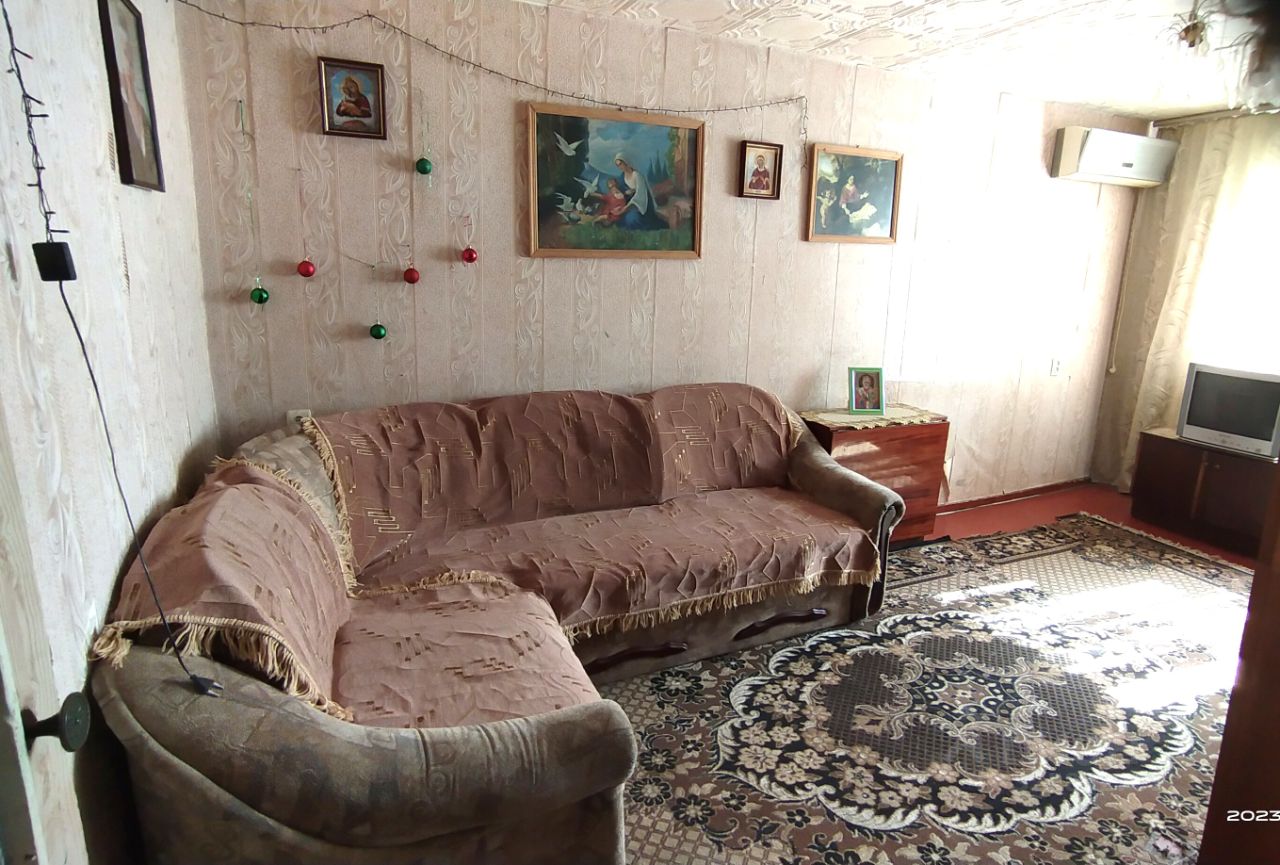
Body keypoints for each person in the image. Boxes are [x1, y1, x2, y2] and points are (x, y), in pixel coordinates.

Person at [614, 154, 665, 230]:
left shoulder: (637, 175)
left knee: (631, 219)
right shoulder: (622, 177)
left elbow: (640, 195)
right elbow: (621, 192)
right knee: (618, 218)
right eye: (617, 165)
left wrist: (625, 209)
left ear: (626, 162)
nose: (619, 167)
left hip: (640, 206)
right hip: (627, 204)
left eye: (620, 164)